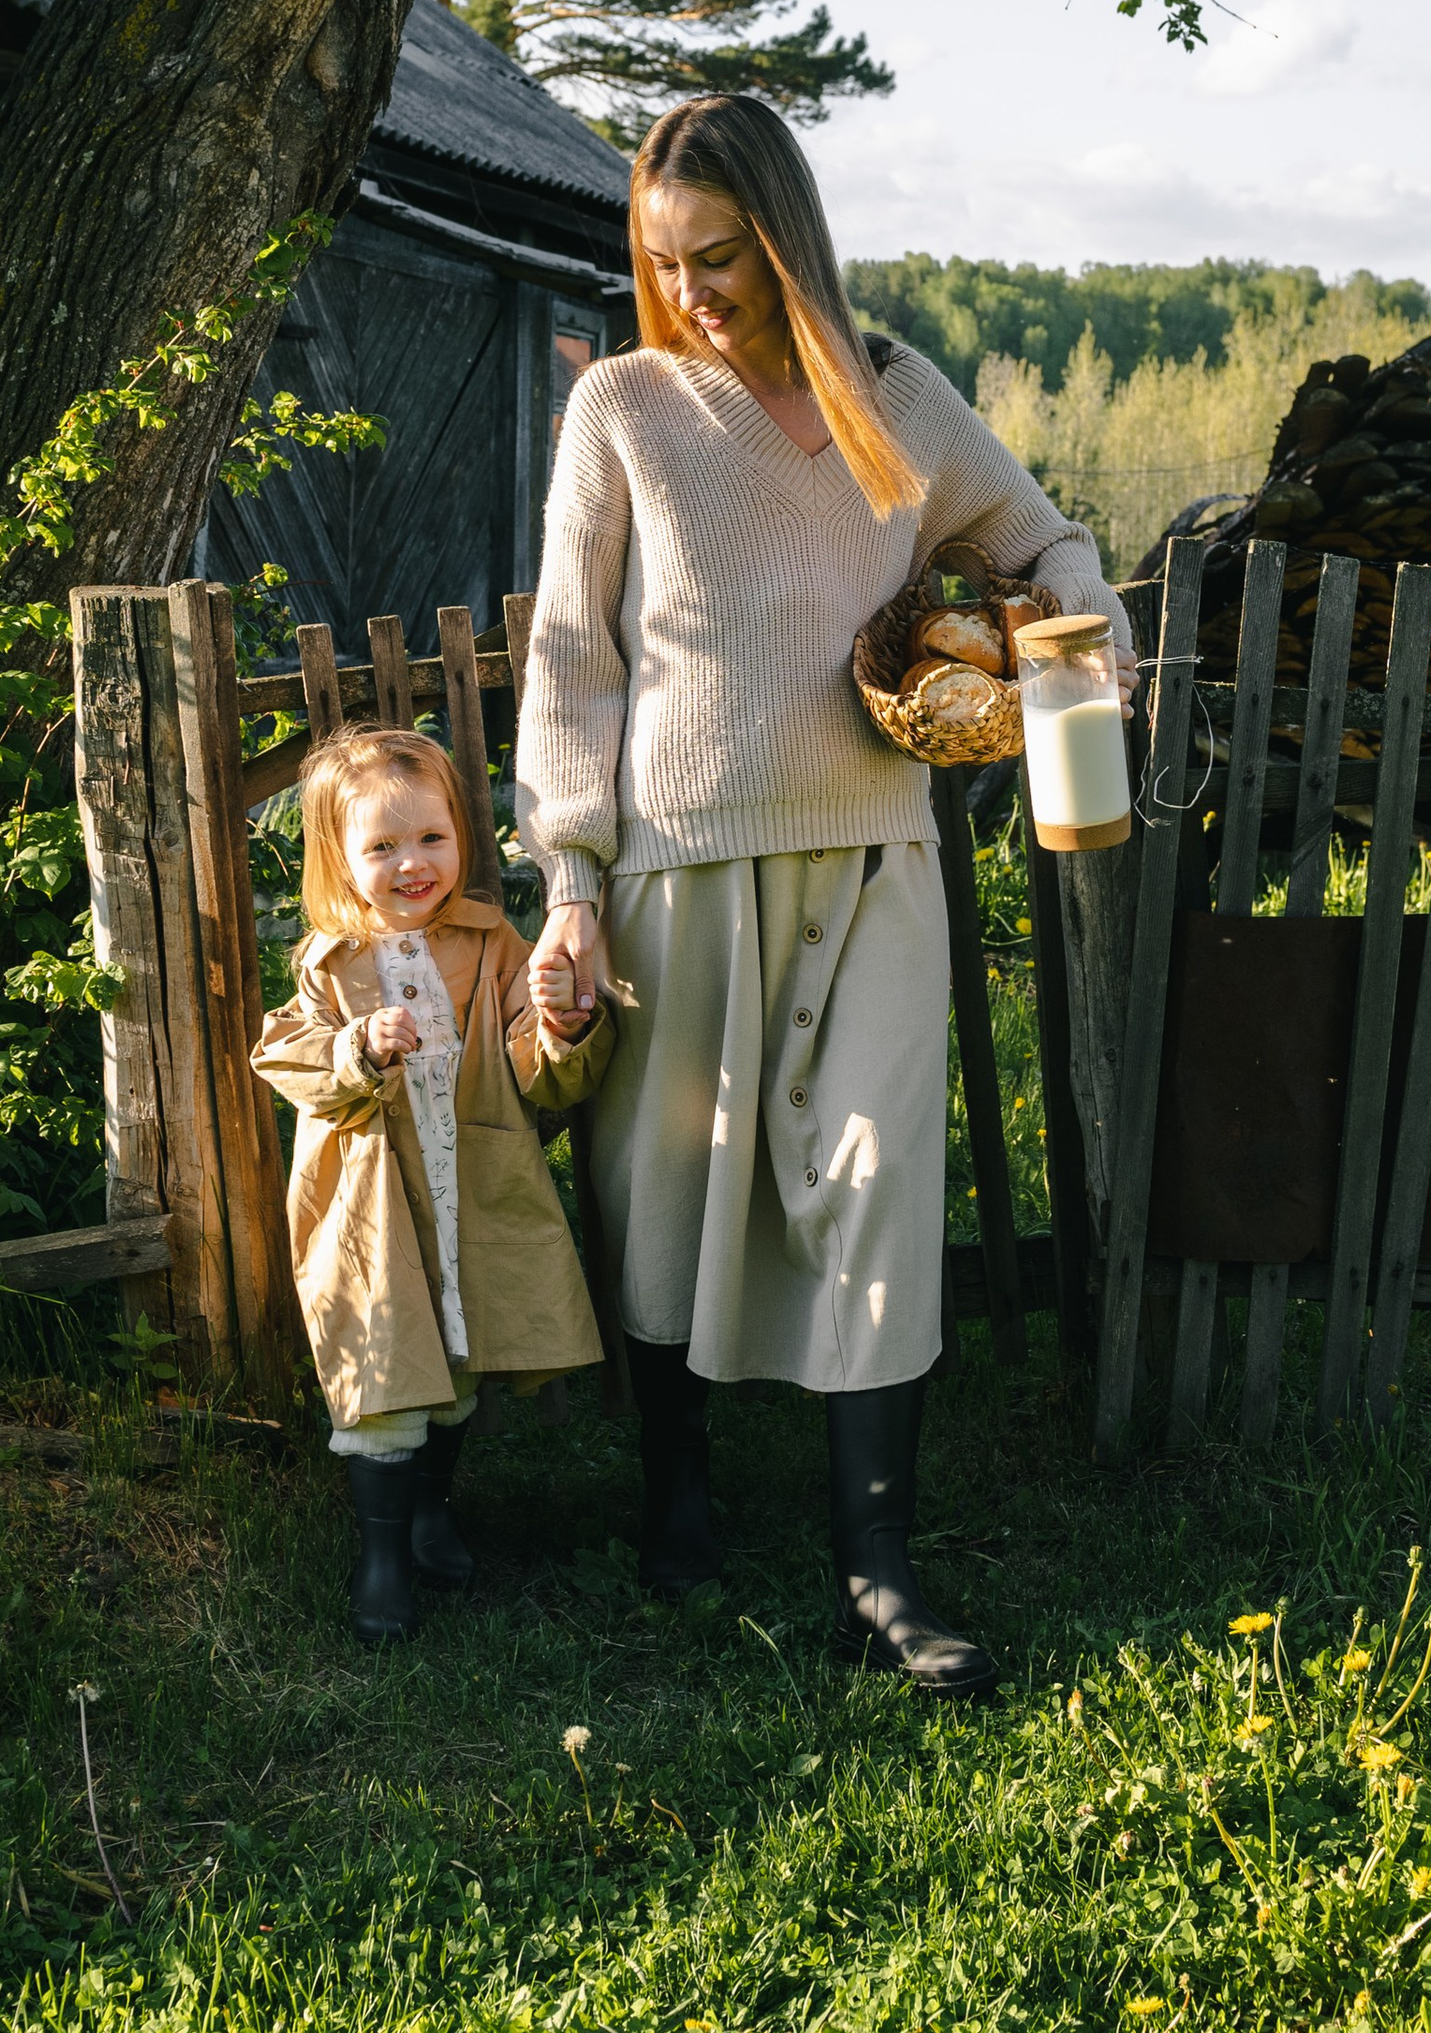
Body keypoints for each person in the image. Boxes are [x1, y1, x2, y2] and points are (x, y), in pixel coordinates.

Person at [515, 94, 1135, 1698]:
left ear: (785, 238)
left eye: (719, 259)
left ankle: (879, 1570)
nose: (694, 295)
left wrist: (1058, 641)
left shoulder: (901, 401)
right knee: (672, 1195)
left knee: (877, 1186)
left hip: (878, 857)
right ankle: (679, 1492)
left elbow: (1049, 543)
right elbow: (573, 659)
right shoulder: (629, 412)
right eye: (665, 265)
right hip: (678, 862)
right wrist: (570, 879)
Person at [255, 726, 611, 1646]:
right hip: (373, 1203)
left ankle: (428, 1514)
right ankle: (380, 1554)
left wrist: (563, 1021)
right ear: (340, 859)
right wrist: (359, 1045)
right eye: (381, 847)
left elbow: (538, 1069)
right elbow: (285, 1055)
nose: (412, 865)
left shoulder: (492, 946)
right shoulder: (331, 965)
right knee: (383, 1359)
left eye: (431, 839)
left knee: (453, 1359)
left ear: (462, 835)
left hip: (468, 1185)